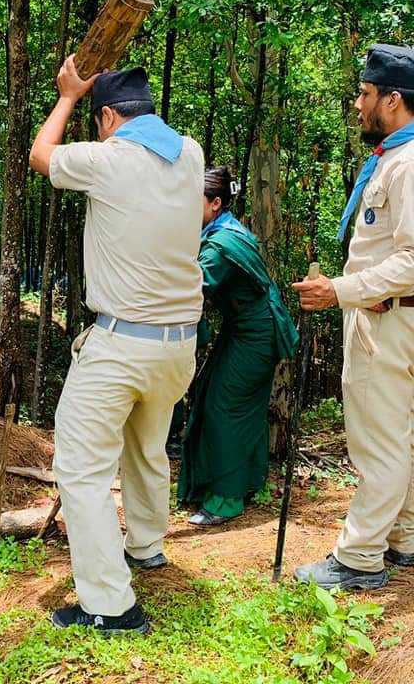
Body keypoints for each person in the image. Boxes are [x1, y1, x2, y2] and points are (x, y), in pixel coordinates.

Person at [30, 57, 204, 634]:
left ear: (107, 117)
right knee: (148, 445)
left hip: (121, 343)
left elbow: (40, 156)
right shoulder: (191, 153)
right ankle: (147, 545)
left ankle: (108, 602)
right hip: (179, 345)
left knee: (79, 469)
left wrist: (65, 97)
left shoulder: (106, 160)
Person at [294, 43, 414, 591]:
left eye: (366, 94)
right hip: (388, 317)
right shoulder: (393, 158)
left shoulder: (407, 164)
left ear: (393, 99)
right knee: (400, 437)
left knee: (378, 442)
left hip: (384, 321)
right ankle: (403, 537)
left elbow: (411, 260)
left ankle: (360, 556)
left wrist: (339, 290)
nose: (358, 104)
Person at [177, 167, 298, 526]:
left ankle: (226, 500)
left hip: (256, 333)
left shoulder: (220, 246)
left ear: (215, 204)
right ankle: (241, 483)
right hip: (245, 328)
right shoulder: (223, 230)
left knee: (224, 407)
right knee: (227, 400)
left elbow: (191, 291)